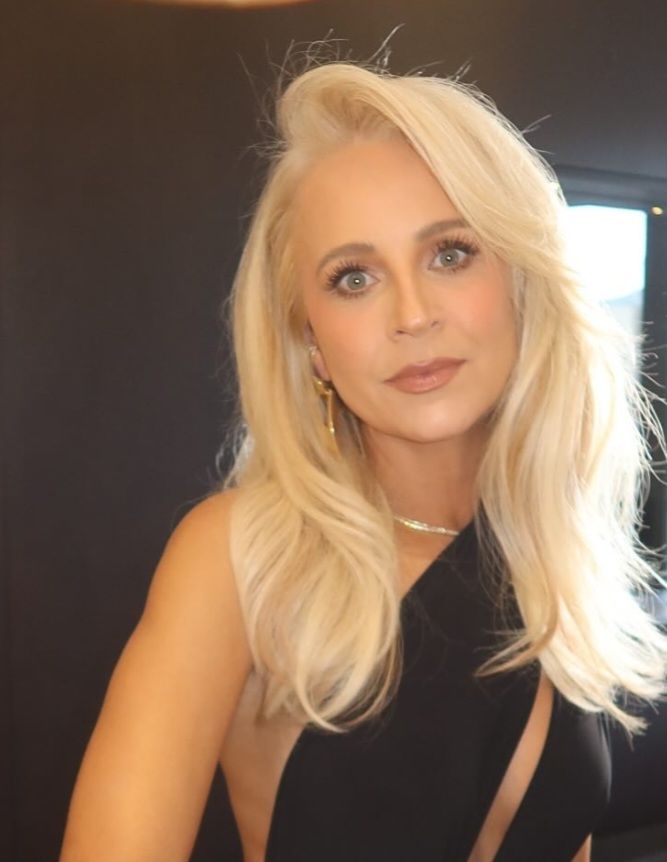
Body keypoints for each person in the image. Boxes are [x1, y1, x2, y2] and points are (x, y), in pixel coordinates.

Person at [59, 52, 667, 862]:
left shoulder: (549, 556)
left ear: (521, 284)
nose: (411, 314)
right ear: (311, 342)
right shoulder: (242, 559)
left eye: (449, 253)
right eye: (353, 278)